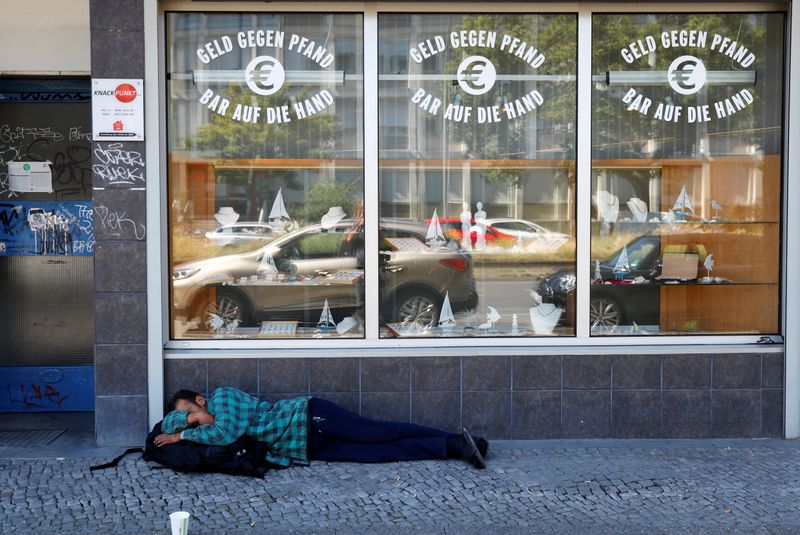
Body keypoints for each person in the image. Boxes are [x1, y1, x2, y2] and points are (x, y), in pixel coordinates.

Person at [154, 386, 488, 469]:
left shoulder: (224, 397)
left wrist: (184, 432)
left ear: (200, 399)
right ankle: (453, 448)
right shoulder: (202, 426)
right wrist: (183, 426)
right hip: (306, 448)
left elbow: (225, 433)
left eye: (192, 412)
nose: (194, 420)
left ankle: (456, 440)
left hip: (310, 416)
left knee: (379, 432)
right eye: (187, 420)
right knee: (379, 455)